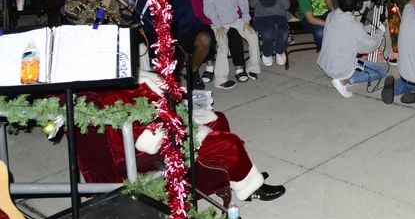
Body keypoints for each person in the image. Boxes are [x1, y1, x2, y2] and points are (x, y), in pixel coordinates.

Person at [77, 71, 285, 203]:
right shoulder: (111, 94)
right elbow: (144, 140)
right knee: (227, 143)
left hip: (166, 126)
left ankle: (235, 174)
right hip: (151, 150)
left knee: (217, 119)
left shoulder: (124, 79)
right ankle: (252, 190)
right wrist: (181, 126)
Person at [316, 0, 388, 98]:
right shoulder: (355, 26)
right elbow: (372, 46)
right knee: (381, 71)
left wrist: (368, 28)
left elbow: (346, 31)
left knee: (361, 61)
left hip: (325, 63)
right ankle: (344, 81)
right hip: (340, 70)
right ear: (357, 5)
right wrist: (381, 31)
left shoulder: (331, 15)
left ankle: (342, 78)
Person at [204, 0, 261, 84]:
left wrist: (246, 21)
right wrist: (218, 25)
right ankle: (220, 78)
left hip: (235, 20)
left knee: (252, 36)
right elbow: (208, 9)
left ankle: (253, 67)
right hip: (219, 23)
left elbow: (244, 4)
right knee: (223, 46)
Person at [249, 0, 290, 67]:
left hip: (278, 16)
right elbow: (252, 4)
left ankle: (280, 51)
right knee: (268, 32)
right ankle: (266, 53)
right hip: (261, 17)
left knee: (283, 32)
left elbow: (286, 6)